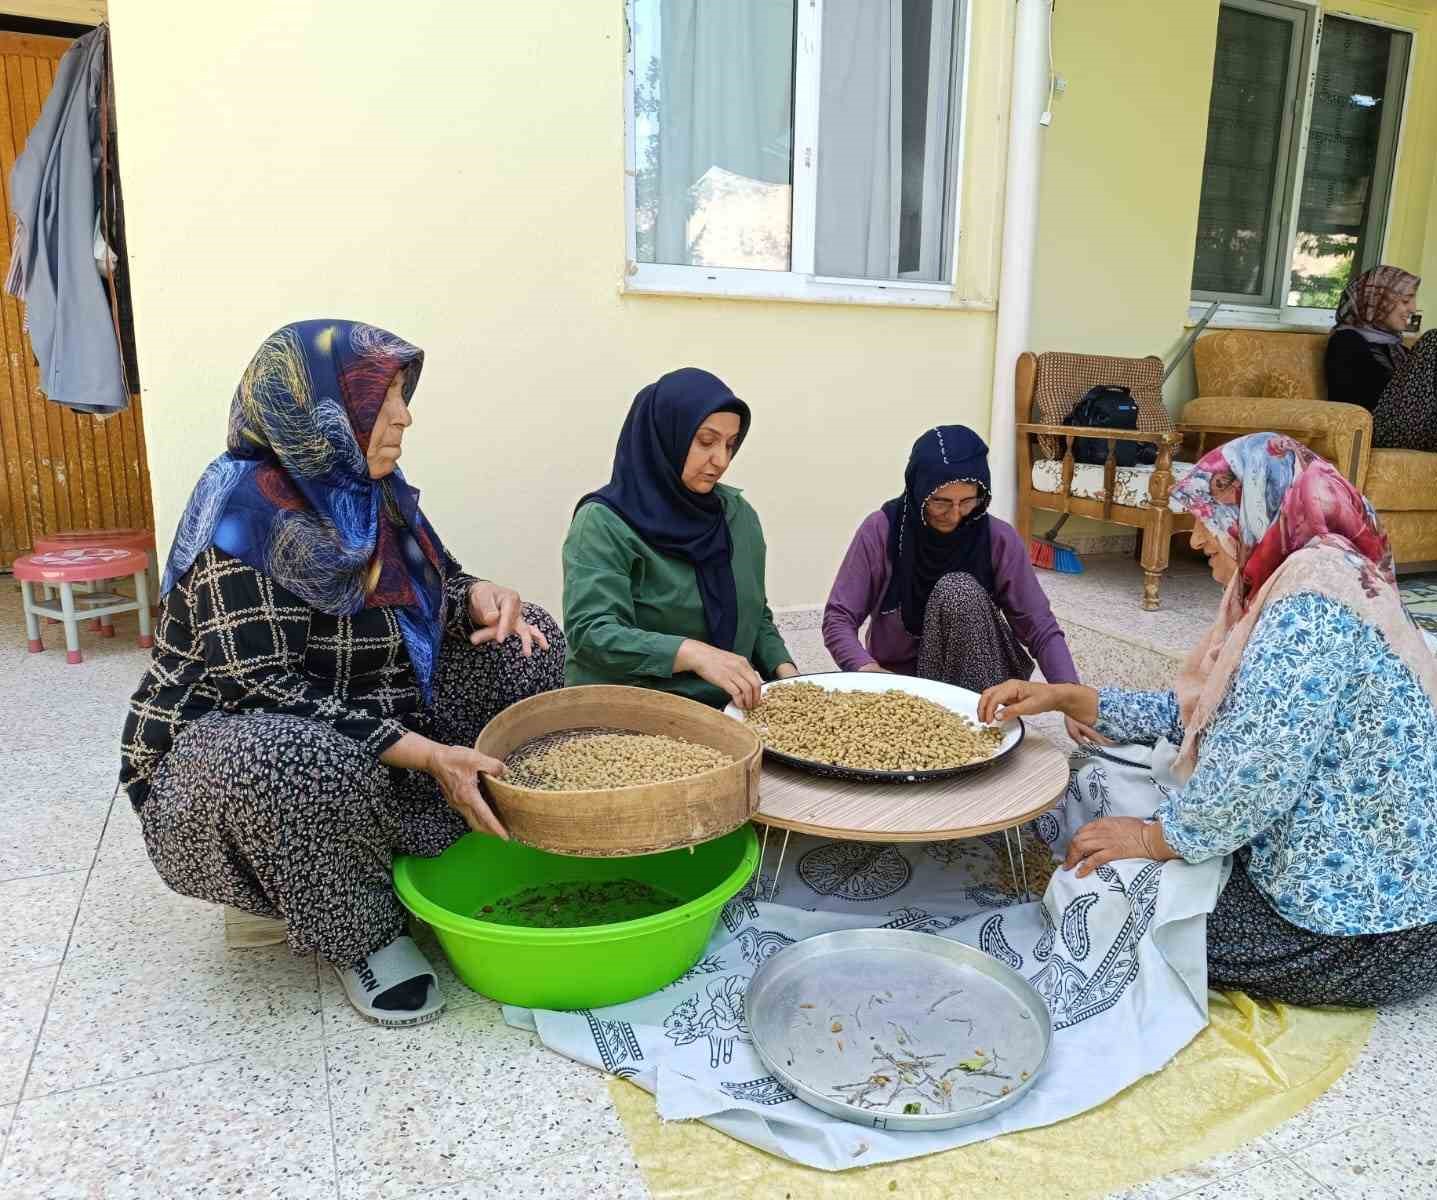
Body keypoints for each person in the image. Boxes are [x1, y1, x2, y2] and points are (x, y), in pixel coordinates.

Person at [120, 320, 565, 1028]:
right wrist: (426, 755)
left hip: (371, 715)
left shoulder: (366, 489)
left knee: (525, 641)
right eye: (382, 399)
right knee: (293, 760)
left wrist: (476, 593)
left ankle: (462, 835)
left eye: (401, 396)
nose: (405, 416)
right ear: (322, 413)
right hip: (241, 757)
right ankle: (360, 933)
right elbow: (262, 688)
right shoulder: (243, 516)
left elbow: (435, 583)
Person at [979, 433, 1437, 1007]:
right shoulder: (1303, 577)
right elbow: (1207, 715)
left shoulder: (1309, 606)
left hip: (1379, 937)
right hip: (1399, 912)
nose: (1196, 539)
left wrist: (1152, 838)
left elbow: (1259, 767)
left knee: (1110, 894)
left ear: (1254, 509)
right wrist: (1071, 698)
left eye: (1207, 519)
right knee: (1100, 775)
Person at [563, 367, 797, 710]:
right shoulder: (603, 523)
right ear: (666, 435)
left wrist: (788, 676)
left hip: (723, 708)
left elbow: (755, 615)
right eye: (706, 441)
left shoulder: (737, 516)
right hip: (626, 711)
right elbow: (592, 632)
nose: (721, 460)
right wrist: (693, 654)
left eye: (731, 445)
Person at [823, 424, 1078, 694]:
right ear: (918, 490)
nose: (955, 515)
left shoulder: (998, 538)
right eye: (940, 502)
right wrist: (867, 671)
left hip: (984, 685)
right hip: (902, 684)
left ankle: (972, 720)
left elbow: (1038, 624)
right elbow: (838, 618)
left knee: (958, 590)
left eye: (968, 502)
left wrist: (1070, 694)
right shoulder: (882, 530)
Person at [1323, 265, 1437, 454]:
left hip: (1422, 425)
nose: (1413, 309)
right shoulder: (1346, 341)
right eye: (1405, 301)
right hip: (1378, 430)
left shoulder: (1396, 347)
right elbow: (1353, 405)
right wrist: (1422, 369)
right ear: (1378, 302)